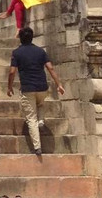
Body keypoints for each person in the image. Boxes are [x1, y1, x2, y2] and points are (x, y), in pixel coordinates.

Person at [6, 26, 64, 155]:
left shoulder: (17, 53)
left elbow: (12, 72)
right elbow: (50, 68)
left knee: (31, 118)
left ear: (20, 38)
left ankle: (37, 147)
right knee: (41, 104)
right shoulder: (40, 51)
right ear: (32, 37)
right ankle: (41, 121)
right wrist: (59, 84)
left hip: (27, 88)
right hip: (42, 86)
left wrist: (9, 87)